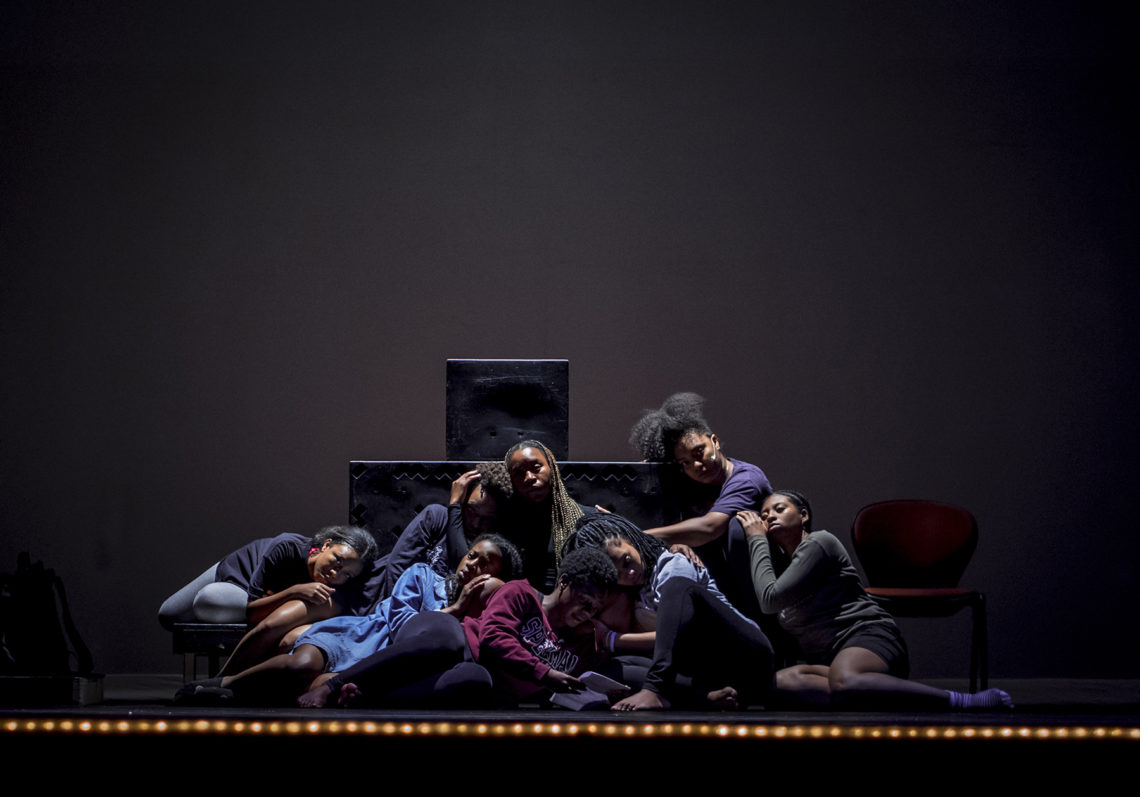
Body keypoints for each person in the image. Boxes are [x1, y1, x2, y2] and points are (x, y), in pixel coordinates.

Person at [740, 490, 1011, 710]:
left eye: (779, 509)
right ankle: (873, 692)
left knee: (844, 680)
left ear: (804, 515)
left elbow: (769, 600)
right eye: (763, 515)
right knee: (774, 686)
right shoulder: (782, 569)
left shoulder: (820, 542)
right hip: (830, 662)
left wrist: (756, 539)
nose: (769, 517)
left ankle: (958, 700)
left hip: (867, 639)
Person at [175, 535, 522, 705]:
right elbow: (401, 623)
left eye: (485, 565)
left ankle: (251, 697)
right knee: (301, 665)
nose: (472, 565)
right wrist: (454, 609)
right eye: (472, 555)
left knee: (312, 683)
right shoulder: (422, 575)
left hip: (387, 665)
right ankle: (225, 684)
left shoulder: (489, 610)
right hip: (362, 635)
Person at [299, 546, 618, 708]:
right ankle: (333, 685)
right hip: (451, 636)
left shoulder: (582, 643)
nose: (588, 613)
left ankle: (363, 697)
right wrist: (545, 674)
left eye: (595, 609)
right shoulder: (521, 593)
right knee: (447, 643)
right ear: (564, 583)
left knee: (475, 680)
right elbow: (493, 637)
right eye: (585, 602)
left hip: (475, 672)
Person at [563, 513, 773, 711]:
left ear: (632, 541)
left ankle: (654, 690)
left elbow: (678, 636)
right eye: (618, 574)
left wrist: (612, 639)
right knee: (617, 668)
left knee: (677, 584)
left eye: (627, 561)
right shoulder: (636, 587)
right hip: (711, 668)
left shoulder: (674, 565)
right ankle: (707, 697)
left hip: (744, 653)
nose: (630, 573)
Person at [158, 526, 378, 673]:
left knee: (208, 602)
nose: (335, 574)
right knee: (167, 615)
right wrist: (293, 592)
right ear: (326, 545)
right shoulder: (286, 546)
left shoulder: (334, 587)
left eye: (347, 574)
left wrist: (274, 600)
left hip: (239, 597)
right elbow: (253, 612)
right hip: (236, 575)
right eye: (337, 560)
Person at [631, 393, 772, 619]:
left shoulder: (746, 478)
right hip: (716, 581)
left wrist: (638, 536)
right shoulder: (687, 481)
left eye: (699, 452)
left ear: (714, 441)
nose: (696, 465)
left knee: (736, 527)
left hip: (760, 584)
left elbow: (709, 527)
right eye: (685, 462)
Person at [357, 461, 514, 611]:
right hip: (383, 606)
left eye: (487, 518)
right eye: (471, 510)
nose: (476, 523)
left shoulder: (492, 548)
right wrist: (399, 614)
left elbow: (459, 568)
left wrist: (454, 506)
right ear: (464, 500)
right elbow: (397, 567)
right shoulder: (437, 517)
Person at [503, 439, 598, 592]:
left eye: (536, 468)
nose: (529, 477)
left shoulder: (587, 519)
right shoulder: (506, 525)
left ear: (552, 467)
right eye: (519, 473)